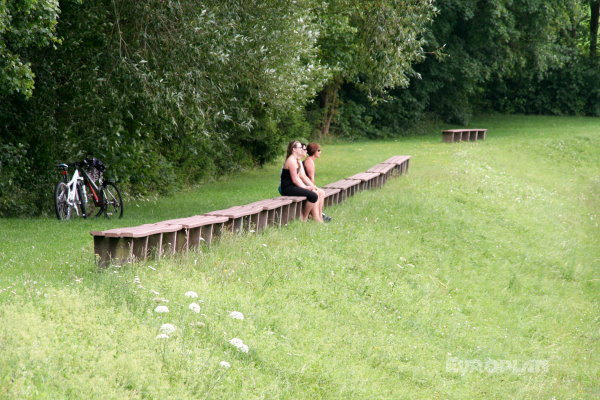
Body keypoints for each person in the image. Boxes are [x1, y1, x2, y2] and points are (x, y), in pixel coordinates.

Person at [280, 141, 324, 223]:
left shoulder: (297, 160)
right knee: (313, 196)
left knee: (314, 192)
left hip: (293, 186)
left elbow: (300, 177)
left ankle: (315, 217)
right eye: (300, 147)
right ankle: (304, 218)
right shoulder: (291, 161)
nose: (302, 149)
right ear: (294, 149)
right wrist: (305, 187)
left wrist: (310, 186)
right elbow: (295, 179)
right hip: (288, 188)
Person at [303, 143, 331, 222]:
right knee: (319, 192)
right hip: (305, 185)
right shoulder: (309, 161)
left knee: (321, 192)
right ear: (314, 151)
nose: (320, 152)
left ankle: (319, 215)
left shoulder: (310, 160)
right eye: (318, 150)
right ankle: (317, 217)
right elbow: (311, 178)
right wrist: (313, 187)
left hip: (307, 185)